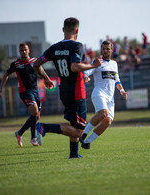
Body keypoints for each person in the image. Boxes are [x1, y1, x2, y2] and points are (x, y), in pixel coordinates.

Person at [33, 17, 102, 158]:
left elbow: (36, 64)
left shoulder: (54, 48)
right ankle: (44, 127)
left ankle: (74, 154)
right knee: (79, 131)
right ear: (77, 30)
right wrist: (93, 65)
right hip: (76, 92)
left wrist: (45, 79)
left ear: (63, 29)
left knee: (74, 125)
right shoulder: (77, 46)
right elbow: (75, 66)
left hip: (64, 91)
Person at [79, 40, 128, 149]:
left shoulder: (114, 64)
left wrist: (122, 90)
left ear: (112, 50)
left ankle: (87, 142)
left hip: (110, 98)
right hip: (99, 93)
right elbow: (87, 71)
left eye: (108, 49)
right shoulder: (97, 61)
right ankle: (83, 134)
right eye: (103, 49)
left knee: (107, 122)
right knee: (103, 113)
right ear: (101, 49)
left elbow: (117, 79)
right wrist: (86, 76)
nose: (105, 51)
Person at [0, 42, 42, 147]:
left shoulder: (34, 61)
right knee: (35, 111)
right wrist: (1, 89)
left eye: (25, 50)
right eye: (21, 50)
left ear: (29, 50)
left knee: (36, 116)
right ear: (19, 52)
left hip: (35, 90)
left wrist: (47, 80)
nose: (24, 52)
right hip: (24, 91)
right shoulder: (16, 64)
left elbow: (41, 71)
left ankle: (19, 133)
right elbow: (6, 75)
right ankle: (33, 138)